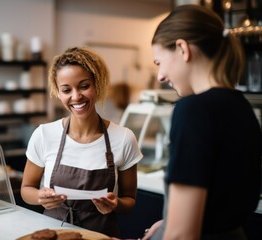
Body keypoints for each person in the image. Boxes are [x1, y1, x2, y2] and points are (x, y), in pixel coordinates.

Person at [143, 4, 262, 240]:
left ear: (182, 48)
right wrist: (169, 222)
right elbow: (219, 204)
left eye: (159, 62)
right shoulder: (242, 106)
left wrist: (173, 228)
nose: (160, 76)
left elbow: (181, 235)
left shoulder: (193, 110)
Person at [21, 47, 142, 237]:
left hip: (101, 235)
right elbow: (26, 189)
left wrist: (115, 204)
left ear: (97, 85)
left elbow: (130, 201)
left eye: (84, 86)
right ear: (58, 92)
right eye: (66, 90)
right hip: (54, 235)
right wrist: (39, 197)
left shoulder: (124, 138)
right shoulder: (44, 135)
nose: (76, 96)